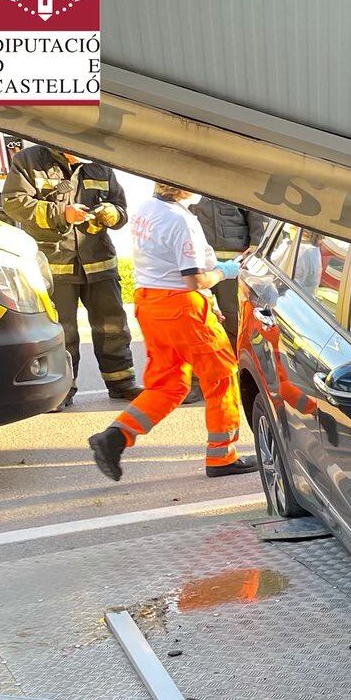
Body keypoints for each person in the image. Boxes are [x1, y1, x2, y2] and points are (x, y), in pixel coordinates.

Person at [88, 183, 259, 482]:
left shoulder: (147, 210)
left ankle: (115, 437)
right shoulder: (182, 220)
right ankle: (223, 456)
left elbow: (168, 265)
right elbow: (194, 279)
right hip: (182, 308)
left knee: (168, 384)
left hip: (151, 303)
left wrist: (217, 276)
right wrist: (227, 272)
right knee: (221, 376)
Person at [1, 142, 139, 405]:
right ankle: (64, 391)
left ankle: (121, 382)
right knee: (62, 331)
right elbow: (14, 203)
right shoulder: (29, 160)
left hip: (99, 262)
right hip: (56, 264)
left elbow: (120, 208)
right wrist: (62, 213)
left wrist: (113, 214)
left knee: (113, 326)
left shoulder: (99, 161)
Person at [191, 195, 268, 346]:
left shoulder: (234, 183)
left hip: (233, 263)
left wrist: (255, 245)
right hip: (198, 263)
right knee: (199, 315)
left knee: (233, 315)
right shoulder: (190, 182)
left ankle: (237, 357)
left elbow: (256, 212)